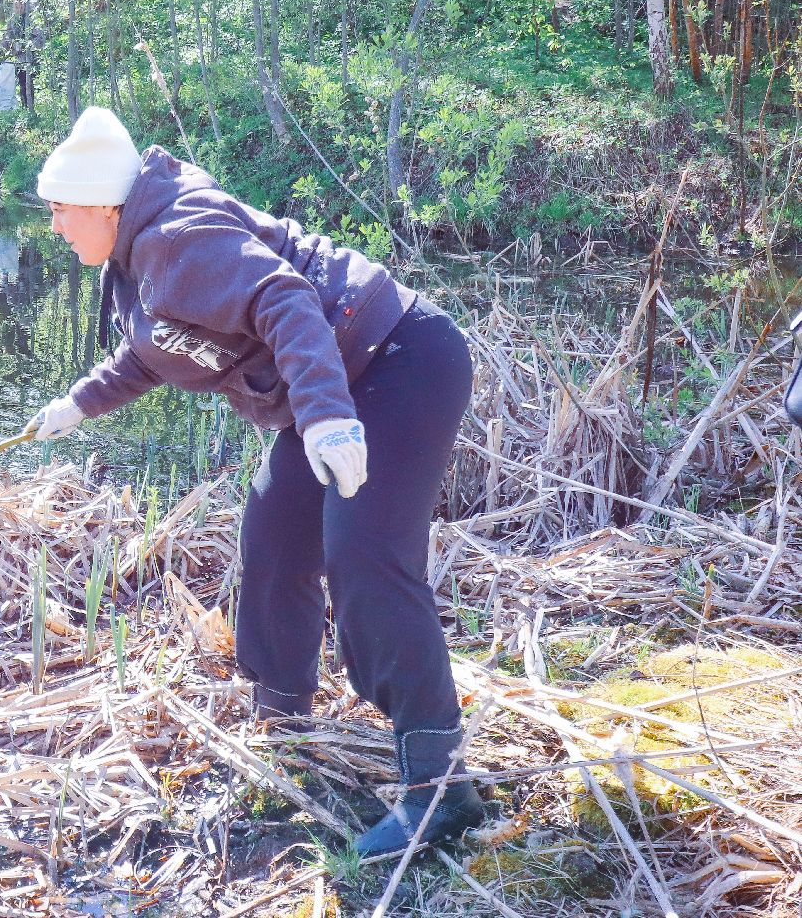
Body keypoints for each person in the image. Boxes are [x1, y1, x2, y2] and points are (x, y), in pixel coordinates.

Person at [26, 106, 485, 859]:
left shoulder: (179, 237)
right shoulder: (136, 262)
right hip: (333, 384)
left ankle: (441, 787)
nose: (55, 225)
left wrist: (330, 418)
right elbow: (158, 350)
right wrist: (80, 402)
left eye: (59, 209)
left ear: (104, 206)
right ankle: (285, 726)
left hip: (398, 361)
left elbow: (286, 301)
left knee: (366, 554)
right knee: (274, 540)